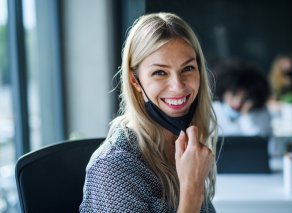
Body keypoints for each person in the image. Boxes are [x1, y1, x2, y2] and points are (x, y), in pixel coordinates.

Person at [80, 13, 218, 212]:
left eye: (187, 68)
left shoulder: (186, 148)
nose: (178, 86)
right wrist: (192, 190)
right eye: (160, 72)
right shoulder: (113, 168)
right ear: (135, 81)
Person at [212, 60, 272, 136]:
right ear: (223, 92)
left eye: (245, 98)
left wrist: (246, 116)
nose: (238, 102)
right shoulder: (212, 112)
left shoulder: (261, 113)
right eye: (234, 95)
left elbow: (260, 141)